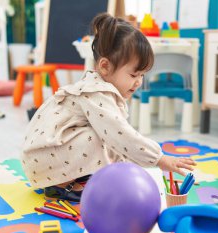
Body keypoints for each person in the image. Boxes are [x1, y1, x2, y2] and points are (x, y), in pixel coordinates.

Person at [21, 13, 196, 202]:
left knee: (106, 133)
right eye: (133, 74)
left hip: (44, 155)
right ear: (105, 66)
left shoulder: (98, 85)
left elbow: (120, 142)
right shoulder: (97, 93)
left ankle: (73, 175)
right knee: (105, 134)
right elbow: (120, 135)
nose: (138, 82)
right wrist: (159, 159)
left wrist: (132, 171)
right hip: (44, 159)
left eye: (142, 75)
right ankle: (61, 186)